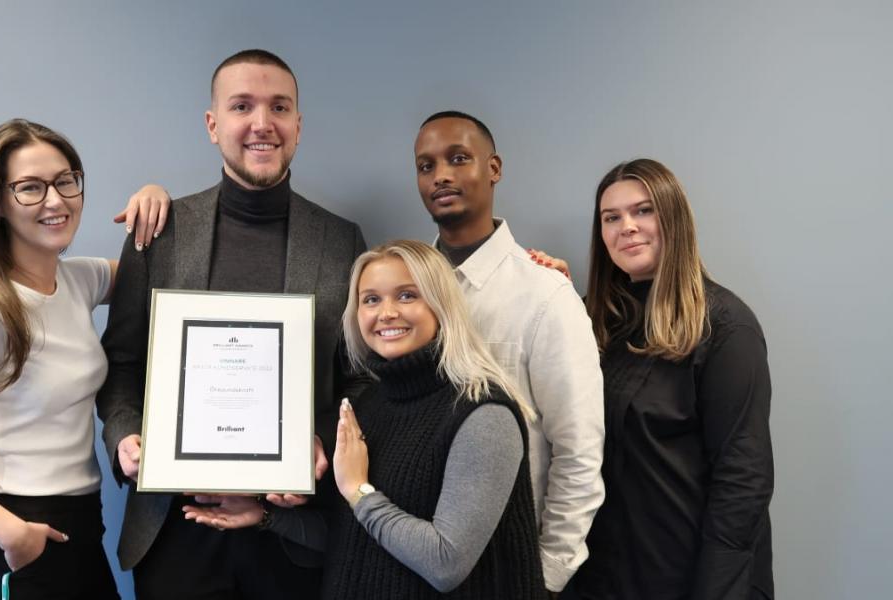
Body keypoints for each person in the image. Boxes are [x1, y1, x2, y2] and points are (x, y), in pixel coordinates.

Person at [96, 49, 367, 599]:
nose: (262, 124)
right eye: (242, 106)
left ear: (298, 124)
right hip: (175, 532)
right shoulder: (161, 229)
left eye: (279, 107)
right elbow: (122, 365)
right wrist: (125, 434)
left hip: (293, 534)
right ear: (213, 124)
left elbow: (359, 380)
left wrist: (323, 441)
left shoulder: (342, 240)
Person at [0, 118, 169, 599]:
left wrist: (154, 196)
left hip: (85, 536)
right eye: (30, 188)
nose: (56, 200)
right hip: (18, 541)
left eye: (66, 181)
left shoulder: (81, 281)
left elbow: (166, 282)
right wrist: (13, 534)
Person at [412, 111, 605, 597]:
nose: (442, 176)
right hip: (413, 560)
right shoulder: (403, 291)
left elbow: (579, 450)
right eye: (426, 165)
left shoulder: (545, 297)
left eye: (459, 159)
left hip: (509, 570)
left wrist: (547, 576)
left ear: (493, 168)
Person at [568, 158, 774, 599]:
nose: (627, 226)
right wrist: (547, 298)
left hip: (689, 576)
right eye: (611, 217)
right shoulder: (590, 320)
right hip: (601, 575)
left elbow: (743, 476)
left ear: (673, 218)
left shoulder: (725, 326)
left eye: (643, 210)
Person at [324, 239, 544, 599]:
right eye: (371, 299)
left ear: (441, 306)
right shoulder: (370, 401)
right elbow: (350, 534)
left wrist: (359, 492)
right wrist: (269, 517)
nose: (387, 312)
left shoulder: (484, 413)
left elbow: (445, 562)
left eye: (407, 296)